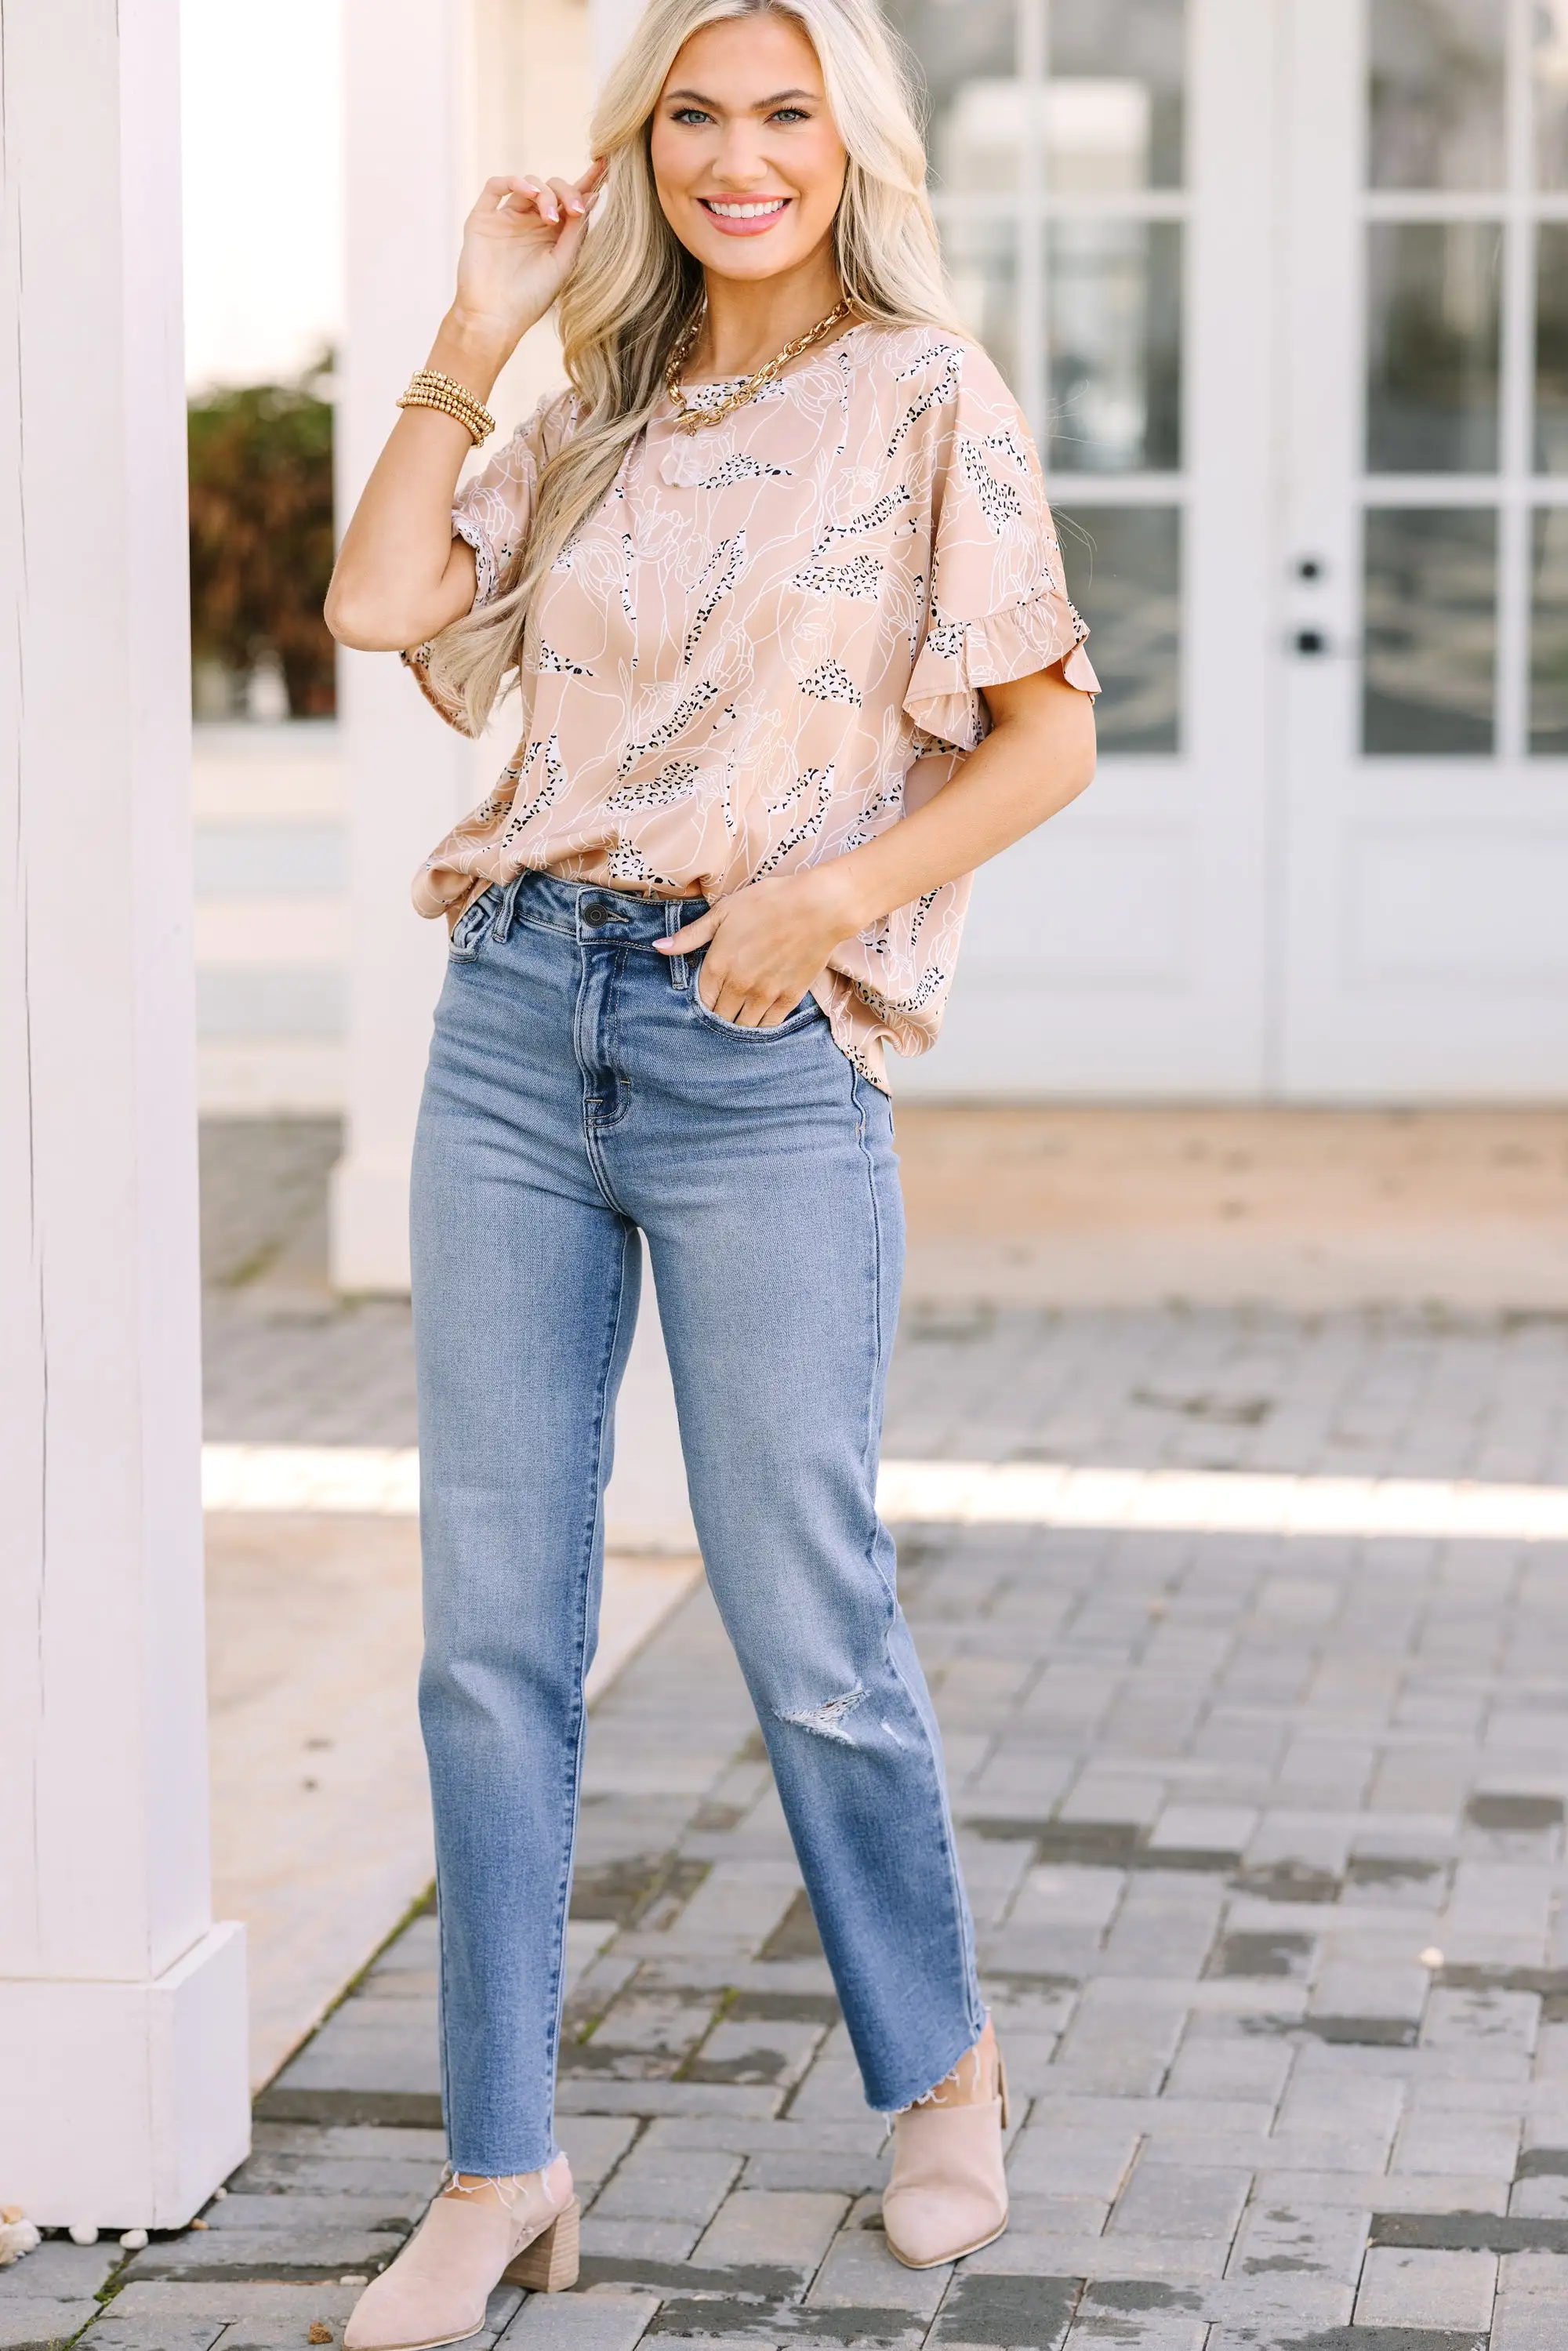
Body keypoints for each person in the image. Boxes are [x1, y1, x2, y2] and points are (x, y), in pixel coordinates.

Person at [327, 0, 1098, 2338]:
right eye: (696, 114)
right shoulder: (595, 409)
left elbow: (1047, 737)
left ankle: (940, 2063)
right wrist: (478, 321)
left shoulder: (933, 398)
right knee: (490, 1626)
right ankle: (497, 2165)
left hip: (753, 1037)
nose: (739, 158)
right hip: (511, 1023)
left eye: (785, 114)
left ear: (850, 144)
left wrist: (824, 904)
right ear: (641, 143)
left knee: (802, 1600)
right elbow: (380, 607)